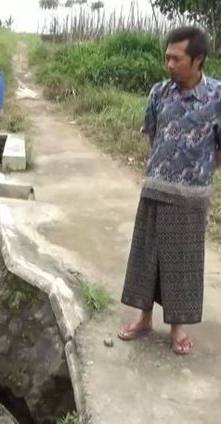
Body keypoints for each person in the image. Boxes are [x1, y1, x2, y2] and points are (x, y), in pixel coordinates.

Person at [118, 26, 221, 355]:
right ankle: (144, 319)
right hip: (155, 188)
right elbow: (154, 136)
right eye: (167, 58)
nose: (169, 64)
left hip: (191, 196)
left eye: (177, 59)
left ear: (198, 59)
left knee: (183, 263)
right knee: (146, 259)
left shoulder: (217, 98)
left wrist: (198, 172)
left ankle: (177, 329)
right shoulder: (158, 93)